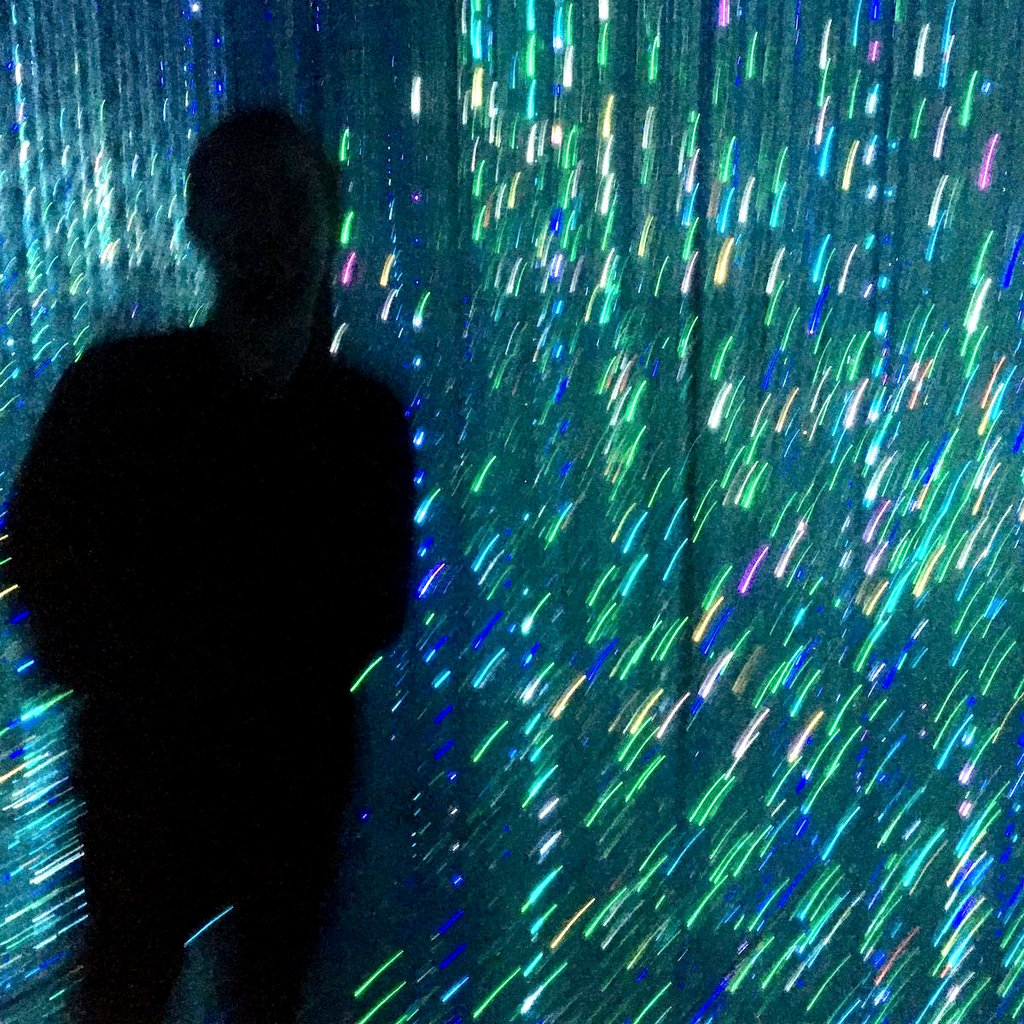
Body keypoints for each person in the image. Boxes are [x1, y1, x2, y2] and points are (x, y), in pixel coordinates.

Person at [4, 106, 415, 1023]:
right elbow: (38, 550)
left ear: (329, 216)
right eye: (247, 202)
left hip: (255, 788)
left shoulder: (357, 420)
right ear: (201, 223)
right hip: (172, 783)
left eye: (290, 202)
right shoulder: (123, 392)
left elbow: (375, 605)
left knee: (205, 991)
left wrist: (133, 671)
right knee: (139, 989)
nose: (273, 229)